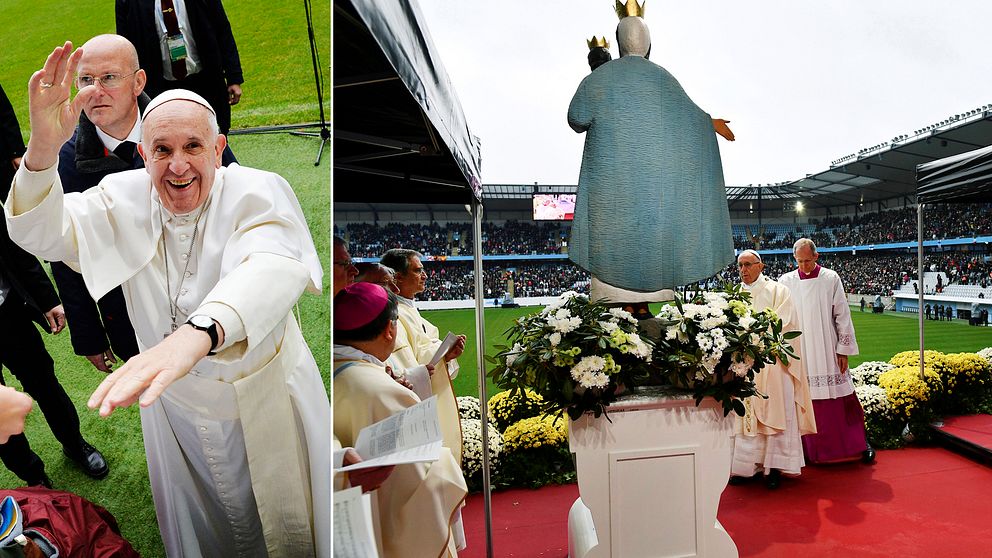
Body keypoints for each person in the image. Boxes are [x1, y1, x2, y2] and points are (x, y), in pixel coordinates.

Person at [6, 42, 328, 556]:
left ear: (219, 148)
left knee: (286, 523)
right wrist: (42, 152)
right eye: (161, 151)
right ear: (143, 155)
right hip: (174, 402)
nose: (177, 166)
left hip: (262, 394)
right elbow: (40, 235)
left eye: (192, 148)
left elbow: (273, 263)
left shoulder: (257, 190)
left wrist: (197, 336)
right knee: (203, 519)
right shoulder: (123, 197)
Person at [53, 35, 235, 374]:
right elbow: (64, 254)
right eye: (85, 80)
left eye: (108, 78)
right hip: (130, 321)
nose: (95, 91)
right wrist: (88, 333)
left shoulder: (187, 122)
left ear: (138, 82)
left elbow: (232, 200)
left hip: (211, 305)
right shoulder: (67, 161)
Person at [567, 2, 735, 302]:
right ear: (648, 44)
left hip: (611, 197)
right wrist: (710, 124)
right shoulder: (663, 78)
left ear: (619, 43)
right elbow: (688, 115)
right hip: (650, 202)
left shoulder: (598, 78)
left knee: (613, 255)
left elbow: (576, 117)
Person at [333, 282, 467, 557]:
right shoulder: (384, 391)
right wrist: (450, 469)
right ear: (390, 330)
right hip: (395, 532)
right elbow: (418, 481)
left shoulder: (332, 373)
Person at [380, 248, 468, 549]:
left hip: (432, 402)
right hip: (418, 416)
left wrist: (447, 355)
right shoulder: (393, 312)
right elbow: (401, 370)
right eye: (418, 270)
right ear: (397, 277)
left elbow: (423, 356)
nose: (425, 275)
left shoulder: (408, 309)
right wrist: (436, 360)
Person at [780, 239, 874, 465]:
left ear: (816, 256)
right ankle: (806, 453)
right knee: (803, 399)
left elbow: (842, 315)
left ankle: (858, 445)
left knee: (842, 395)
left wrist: (843, 350)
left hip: (827, 349)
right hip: (800, 350)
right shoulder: (785, 281)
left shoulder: (831, 278)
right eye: (799, 261)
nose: (803, 266)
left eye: (807, 260)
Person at [730, 250, 816, 489]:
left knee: (776, 411)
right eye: (740, 266)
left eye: (748, 265)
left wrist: (754, 339)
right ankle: (745, 468)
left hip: (772, 362)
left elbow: (784, 323)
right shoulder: (734, 295)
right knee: (744, 414)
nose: (743, 270)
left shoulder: (779, 291)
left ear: (761, 266)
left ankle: (774, 467)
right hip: (743, 364)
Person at [116, 0, 244, 134]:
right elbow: (125, 48)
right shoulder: (128, 3)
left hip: (204, 82)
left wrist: (233, 77)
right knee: (166, 139)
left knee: (213, 137)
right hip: (158, 88)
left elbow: (222, 31)